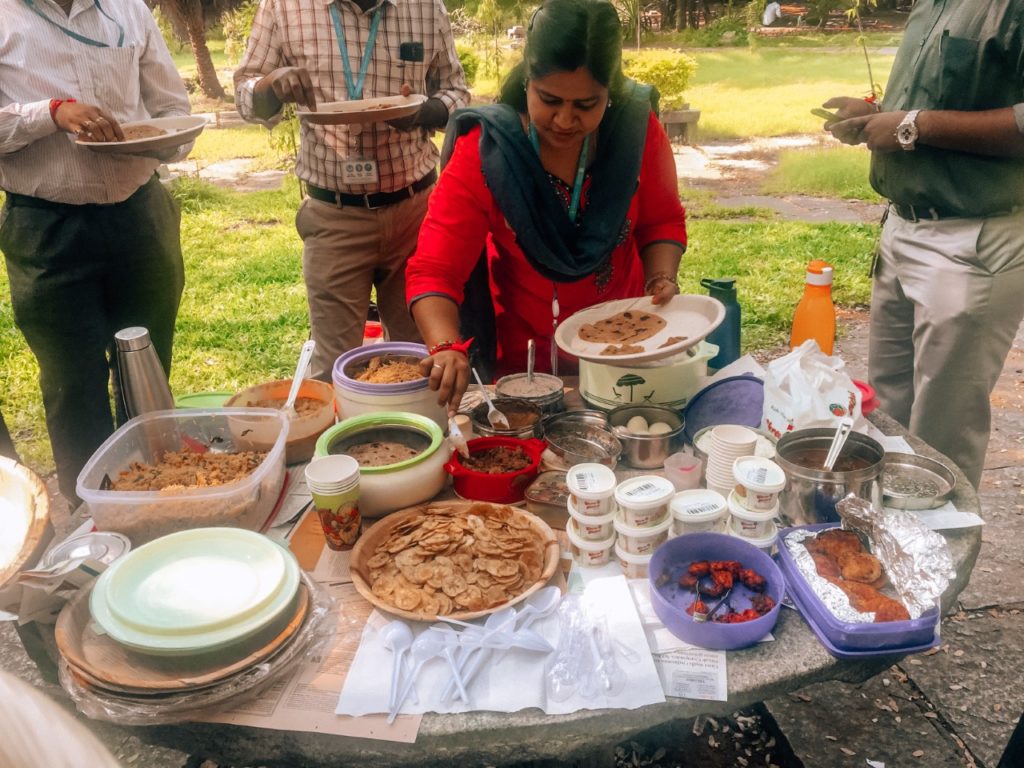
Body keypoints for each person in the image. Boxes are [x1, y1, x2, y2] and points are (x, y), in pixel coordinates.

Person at [404, 0, 687, 415]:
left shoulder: (636, 133)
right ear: (527, 81)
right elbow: (435, 268)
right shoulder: (488, 152)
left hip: (626, 354)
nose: (564, 120)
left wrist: (662, 275)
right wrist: (446, 346)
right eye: (549, 99)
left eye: (586, 105)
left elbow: (662, 219)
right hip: (528, 367)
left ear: (611, 91)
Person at [821, 0, 1024, 489]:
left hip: (974, 240)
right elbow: (937, 102)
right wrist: (876, 118)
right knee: (887, 415)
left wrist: (913, 127)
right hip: (901, 226)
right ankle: (887, 542)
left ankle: (940, 560)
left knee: (942, 435)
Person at [0, 0, 190, 504]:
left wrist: (167, 138)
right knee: (71, 379)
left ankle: (154, 492)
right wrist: (51, 114)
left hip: (141, 213)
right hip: (46, 226)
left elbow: (172, 108)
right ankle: (93, 513)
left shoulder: (127, 10)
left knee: (147, 362)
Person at [234, 0, 470, 381]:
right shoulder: (283, 8)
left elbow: (457, 93)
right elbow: (245, 97)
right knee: (333, 367)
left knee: (418, 361)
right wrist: (270, 84)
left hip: (416, 212)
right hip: (334, 216)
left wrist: (422, 111)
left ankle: (416, 438)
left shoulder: (425, 6)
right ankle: (343, 440)